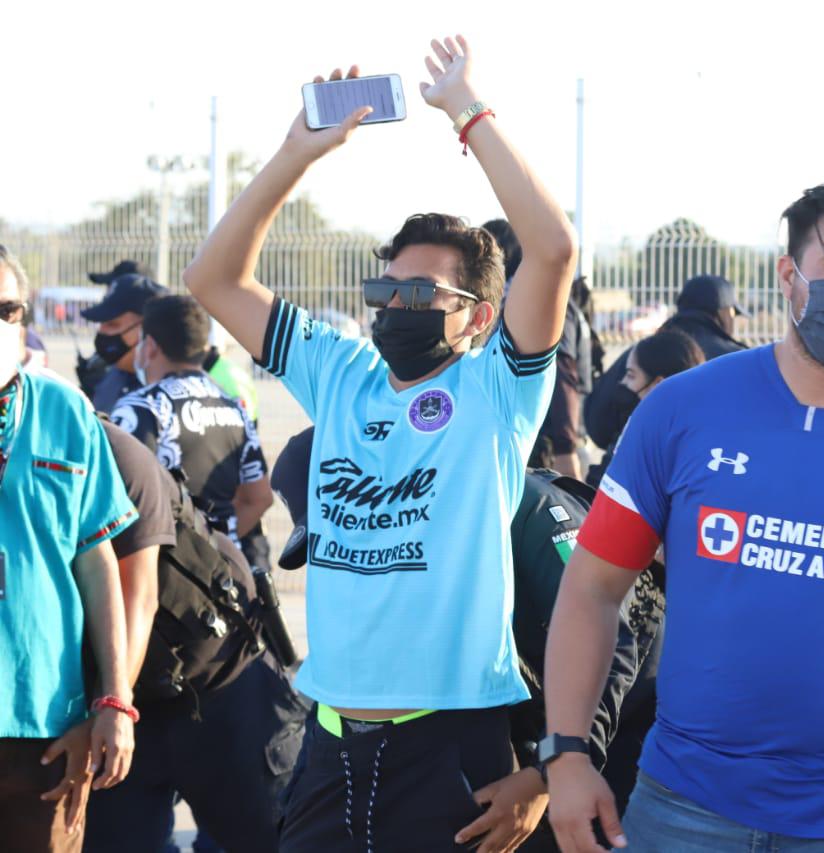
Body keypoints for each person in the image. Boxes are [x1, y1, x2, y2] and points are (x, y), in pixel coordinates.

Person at [182, 37, 578, 853]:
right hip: (330, 740)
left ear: (475, 315)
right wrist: (298, 152)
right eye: (383, 287)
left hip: (450, 746)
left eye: (421, 291)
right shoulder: (343, 374)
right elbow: (214, 279)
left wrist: (469, 113)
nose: (395, 303)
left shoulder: (495, 390)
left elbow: (553, 250)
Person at [545, 175, 824, 853]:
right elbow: (592, 587)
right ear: (790, 276)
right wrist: (567, 754)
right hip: (682, 806)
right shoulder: (680, 412)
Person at [271, 425, 664, 850]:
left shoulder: (524, 507)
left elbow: (611, 646)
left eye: (348, 533)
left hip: (612, 725)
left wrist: (544, 775)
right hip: (513, 723)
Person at [82, 419, 307, 853]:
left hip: (222, 683)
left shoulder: (111, 452)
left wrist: (112, 702)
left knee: (270, 841)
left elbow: (140, 595)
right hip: (131, 700)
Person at [0, 245, 139, 852]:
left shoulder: (63, 410)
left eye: (7, 308)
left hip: (46, 730)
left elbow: (96, 561)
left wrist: (113, 700)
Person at [109, 295, 273, 546]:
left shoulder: (141, 408)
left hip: (162, 575)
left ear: (150, 345)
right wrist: (211, 546)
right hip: (221, 576)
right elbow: (259, 498)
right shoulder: (234, 407)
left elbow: (114, 499)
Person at [584, 273, 747, 452]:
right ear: (723, 313)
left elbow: (597, 421)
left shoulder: (643, 352)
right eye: (733, 313)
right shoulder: (739, 362)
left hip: (628, 464)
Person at [484, 218, 594, 478]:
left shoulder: (540, 302)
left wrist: (566, 453)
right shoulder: (519, 301)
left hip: (551, 454)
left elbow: (562, 372)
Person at [584, 329, 704, 489]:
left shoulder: (644, 438)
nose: (623, 382)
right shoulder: (700, 435)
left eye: (631, 375)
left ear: (659, 384)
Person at [81, 272, 169, 412]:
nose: (102, 331)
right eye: (101, 323)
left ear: (146, 331)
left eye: (113, 325)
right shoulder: (112, 378)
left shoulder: (177, 393)